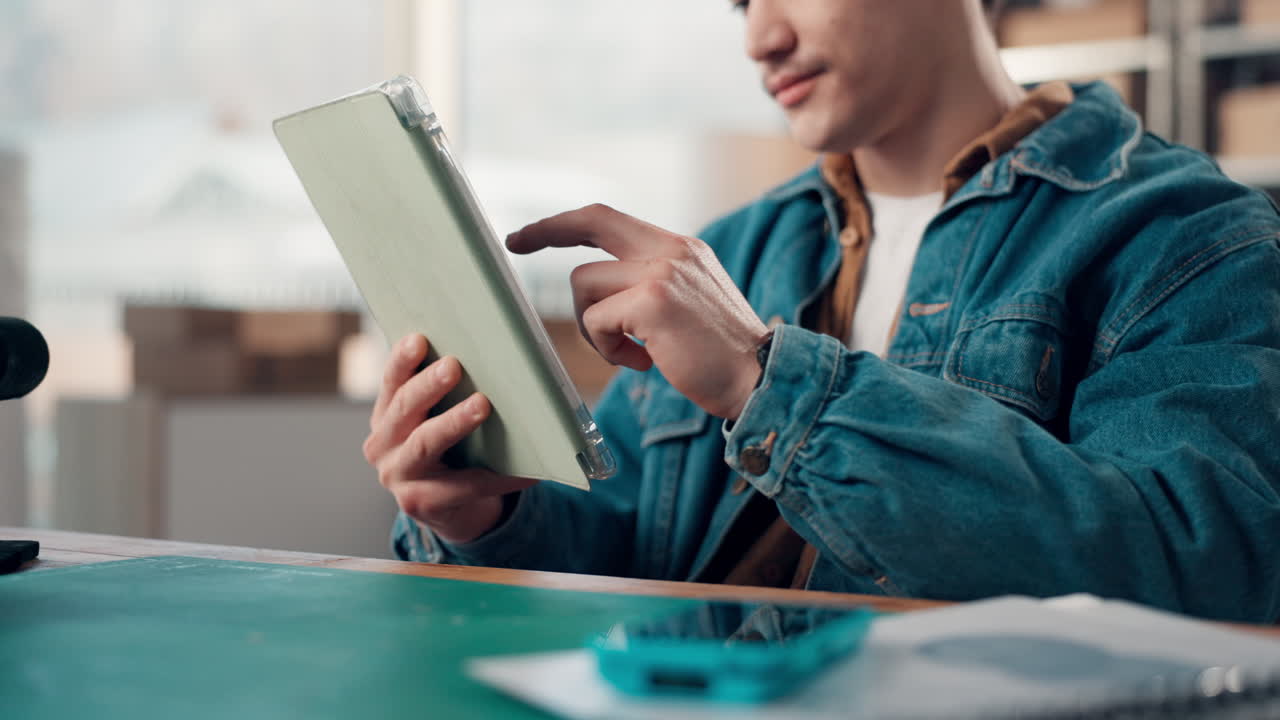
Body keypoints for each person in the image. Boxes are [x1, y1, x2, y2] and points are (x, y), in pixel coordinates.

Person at [361, 0, 1280, 623]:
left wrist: (769, 381)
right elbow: (620, 550)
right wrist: (482, 518)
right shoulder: (727, 254)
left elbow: (1207, 577)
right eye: (742, 3)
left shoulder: (1192, 240)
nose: (761, 38)